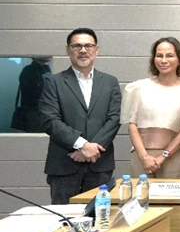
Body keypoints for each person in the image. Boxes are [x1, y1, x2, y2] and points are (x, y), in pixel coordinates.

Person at [39, 28, 121, 205]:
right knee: (63, 222)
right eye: (77, 46)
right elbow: (49, 121)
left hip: (100, 165)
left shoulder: (110, 82)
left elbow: (114, 119)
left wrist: (92, 150)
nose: (83, 50)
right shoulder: (54, 82)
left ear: (96, 50)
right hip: (64, 165)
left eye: (88, 46)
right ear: (68, 49)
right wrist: (82, 145)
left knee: (100, 220)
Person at [122, 37, 180, 180]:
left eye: (169, 55)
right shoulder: (138, 88)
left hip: (173, 157)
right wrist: (144, 157)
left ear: (179, 59)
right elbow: (132, 125)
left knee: (174, 201)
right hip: (142, 157)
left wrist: (163, 156)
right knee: (139, 199)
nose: (164, 60)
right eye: (159, 56)